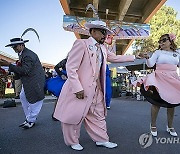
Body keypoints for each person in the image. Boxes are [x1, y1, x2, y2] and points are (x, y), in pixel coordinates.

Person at [53, 20, 138, 151]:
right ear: (92, 32)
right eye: (102, 32)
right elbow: (71, 68)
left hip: (96, 88)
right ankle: (72, 141)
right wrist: (77, 88)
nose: (105, 35)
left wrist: (135, 56)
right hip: (79, 89)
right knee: (74, 115)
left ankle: (101, 139)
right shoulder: (81, 44)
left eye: (106, 32)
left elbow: (114, 58)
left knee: (98, 114)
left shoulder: (103, 48)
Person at [133, 33, 180, 137]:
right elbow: (150, 64)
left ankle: (170, 126)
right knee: (156, 102)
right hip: (159, 78)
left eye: (164, 40)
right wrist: (146, 57)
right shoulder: (158, 52)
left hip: (172, 79)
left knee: (172, 103)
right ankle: (153, 125)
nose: (161, 42)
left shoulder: (178, 53)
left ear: (170, 41)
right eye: (160, 41)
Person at [1, 38, 45, 129]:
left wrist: (9, 65)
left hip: (34, 81)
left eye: (15, 46)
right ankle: (29, 118)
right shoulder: (22, 54)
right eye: (13, 47)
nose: (14, 48)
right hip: (28, 81)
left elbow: (25, 70)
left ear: (22, 45)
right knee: (23, 97)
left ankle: (31, 120)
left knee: (35, 101)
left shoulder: (28, 55)